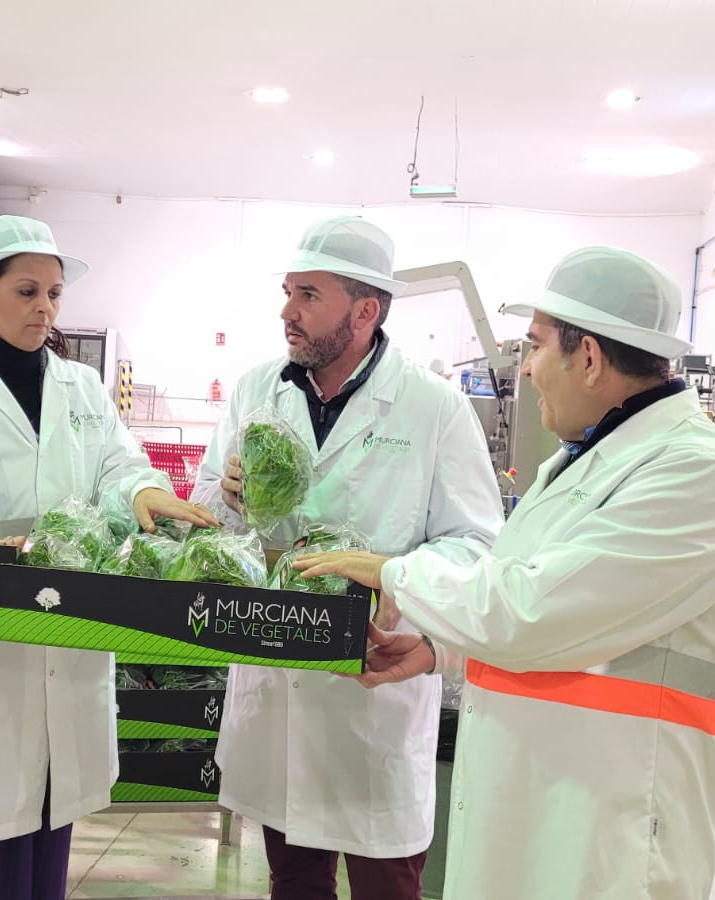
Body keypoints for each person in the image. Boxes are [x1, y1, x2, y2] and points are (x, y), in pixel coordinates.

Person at [296, 246, 715, 900]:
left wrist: (394, 574)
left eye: (536, 346)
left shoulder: (697, 477)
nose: (525, 368)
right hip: (545, 801)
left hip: (610, 832)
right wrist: (443, 654)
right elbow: (561, 617)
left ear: (589, 357)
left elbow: (529, 613)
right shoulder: (582, 462)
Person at [0, 215, 216, 900]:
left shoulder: (82, 391)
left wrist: (145, 489)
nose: (45, 308)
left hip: (66, 652)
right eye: (27, 291)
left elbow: (119, 465)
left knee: (40, 857)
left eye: (55, 294)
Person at [191, 216, 503, 900]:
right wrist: (226, 495)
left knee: (386, 882)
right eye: (287, 292)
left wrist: (391, 576)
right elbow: (206, 506)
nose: (286, 312)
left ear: (365, 311)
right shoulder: (255, 391)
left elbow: (477, 542)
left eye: (307, 296)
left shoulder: (434, 409)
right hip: (277, 679)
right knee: (293, 880)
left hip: (373, 682)